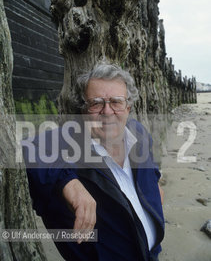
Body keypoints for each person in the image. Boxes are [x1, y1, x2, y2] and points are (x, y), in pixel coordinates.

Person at [24, 61, 164, 261]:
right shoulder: (69, 142)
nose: (107, 112)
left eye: (116, 102)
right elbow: (25, 148)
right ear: (83, 110)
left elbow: (152, 169)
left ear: (128, 107)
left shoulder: (139, 133)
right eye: (96, 103)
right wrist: (68, 183)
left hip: (152, 254)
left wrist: (154, 185)